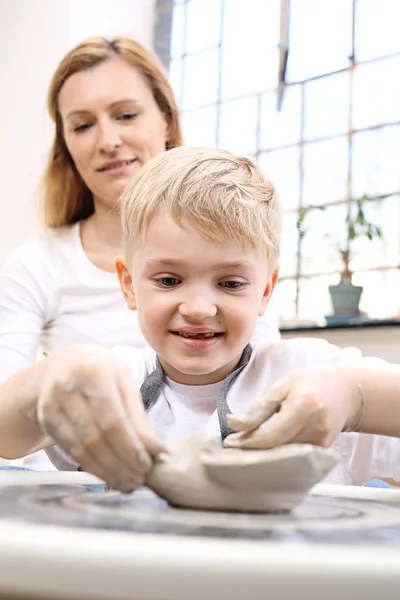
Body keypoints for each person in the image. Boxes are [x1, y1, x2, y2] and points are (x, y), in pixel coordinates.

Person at [1, 147, 399, 493]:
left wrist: (353, 397)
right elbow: (7, 438)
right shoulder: (113, 383)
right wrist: (48, 379)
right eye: (169, 280)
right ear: (129, 285)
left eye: (229, 283)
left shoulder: (308, 379)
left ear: (265, 291)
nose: (198, 308)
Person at [0, 38, 279, 469]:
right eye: (82, 125)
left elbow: (258, 377)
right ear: (127, 282)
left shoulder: (236, 238)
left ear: (165, 120)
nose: (108, 140)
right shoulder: (36, 265)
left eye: (126, 115)